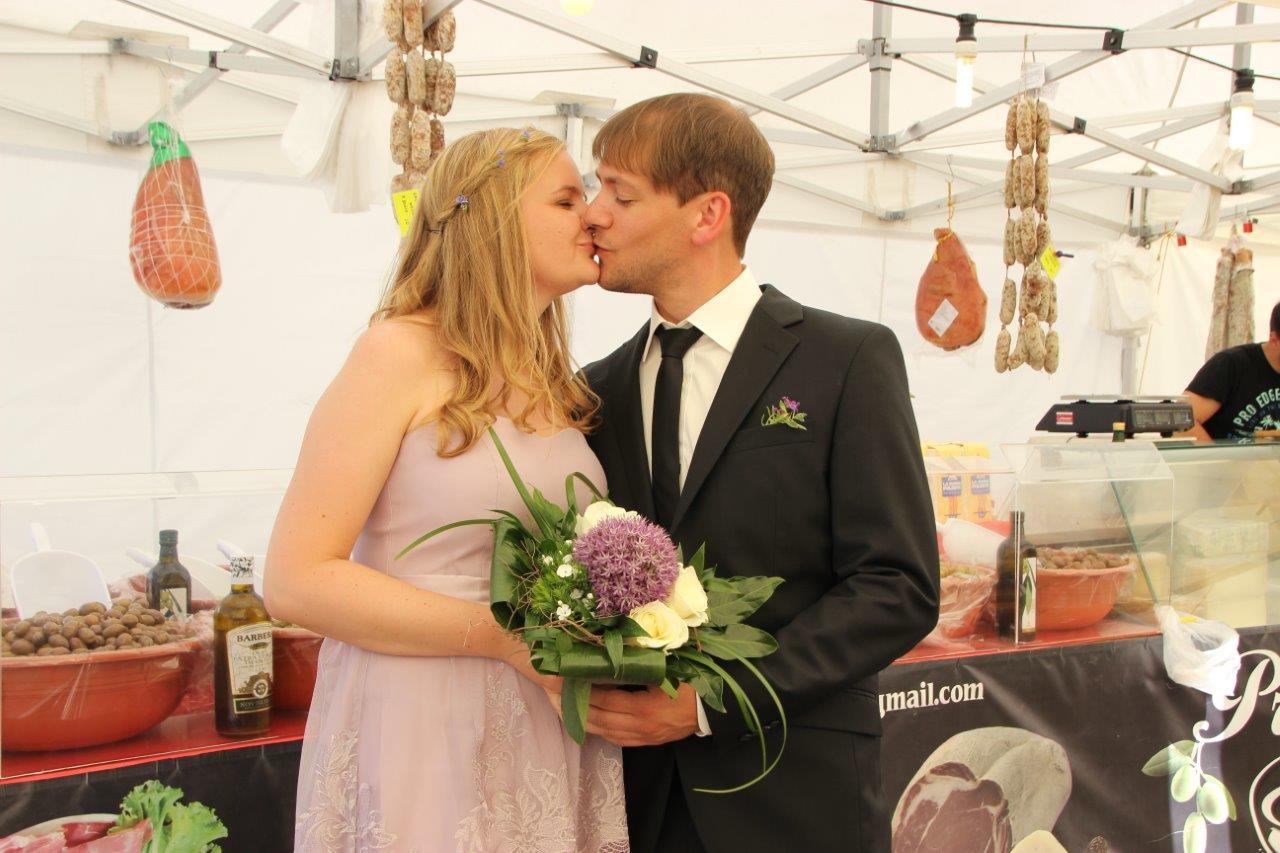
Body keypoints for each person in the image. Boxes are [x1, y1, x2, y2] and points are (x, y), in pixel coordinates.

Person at [580, 93, 939, 853]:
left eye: (621, 193)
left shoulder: (847, 359)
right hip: (637, 803)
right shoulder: (595, 389)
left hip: (795, 795)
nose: (594, 214)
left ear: (708, 215)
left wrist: (710, 700)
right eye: (594, 188)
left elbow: (896, 586)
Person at [266, 127, 630, 852]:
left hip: (540, 718)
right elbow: (295, 581)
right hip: (425, 713)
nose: (593, 215)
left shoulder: (555, 379)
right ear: (492, 218)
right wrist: (504, 639)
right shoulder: (397, 352)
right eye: (566, 200)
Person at [1184, 300, 1280, 440]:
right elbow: (1182, 422)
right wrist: (1218, 454)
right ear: (1274, 339)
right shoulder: (1231, 364)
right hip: (1225, 453)